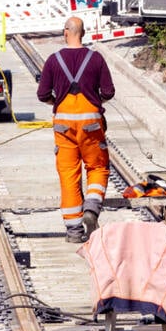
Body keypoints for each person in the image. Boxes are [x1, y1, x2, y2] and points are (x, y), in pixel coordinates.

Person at [36, 16, 116, 243]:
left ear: (65, 33)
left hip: (63, 128)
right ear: (84, 33)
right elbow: (109, 92)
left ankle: (74, 232)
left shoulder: (53, 60)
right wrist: (95, 99)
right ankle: (91, 207)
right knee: (98, 166)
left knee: (69, 175)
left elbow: (42, 95)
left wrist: (56, 101)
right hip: (91, 125)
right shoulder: (95, 59)